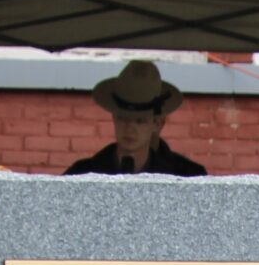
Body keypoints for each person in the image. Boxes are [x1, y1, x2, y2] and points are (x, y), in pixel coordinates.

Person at [66, 60, 207, 177]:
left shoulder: (185, 177)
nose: (129, 128)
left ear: (157, 124)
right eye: (123, 118)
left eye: (140, 120)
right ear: (114, 117)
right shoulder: (82, 174)